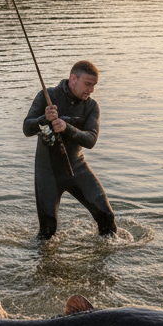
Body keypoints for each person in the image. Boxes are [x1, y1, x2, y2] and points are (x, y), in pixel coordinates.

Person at [23, 60, 116, 239]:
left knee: (107, 217)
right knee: (47, 232)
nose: (91, 90)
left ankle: (108, 255)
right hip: (47, 173)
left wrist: (67, 127)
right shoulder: (47, 96)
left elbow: (91, 140)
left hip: (77, 168)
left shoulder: (91, 106)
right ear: (73, 79)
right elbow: (27, 129)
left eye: (94, 85)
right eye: (88, 84)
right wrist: (43, 119)